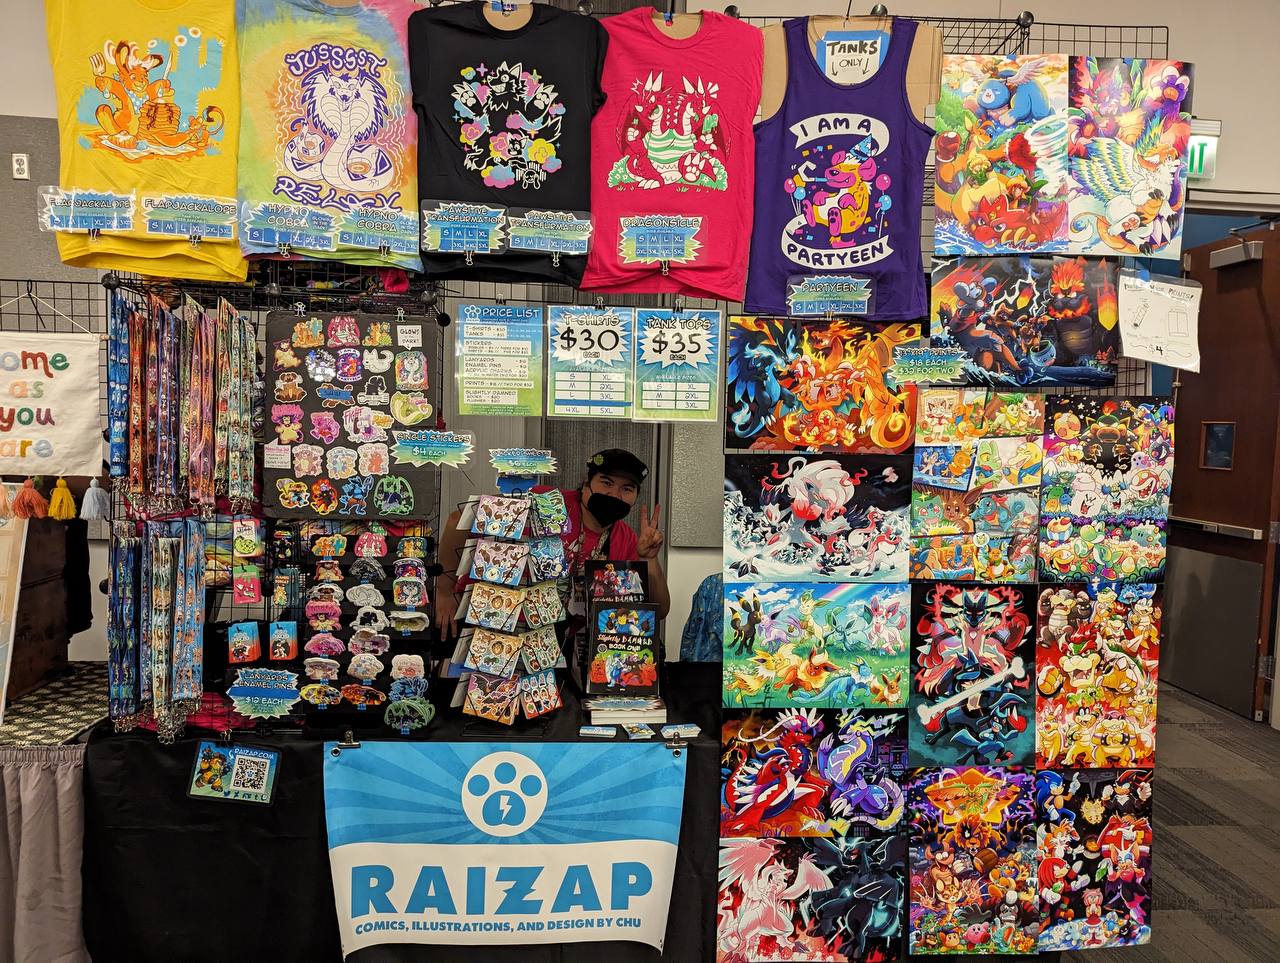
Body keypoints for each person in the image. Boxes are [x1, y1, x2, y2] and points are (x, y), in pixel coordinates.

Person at [435, 448, 670, 639]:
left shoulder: (625, 538)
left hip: (552, 646)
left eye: (627, 489)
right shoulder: (546, 504)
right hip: (490, 626)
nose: (615, 495)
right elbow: (458, 520)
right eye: (606, 483)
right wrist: (444, 593)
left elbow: (659, 610)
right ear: (586, 484)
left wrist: (649, 559)